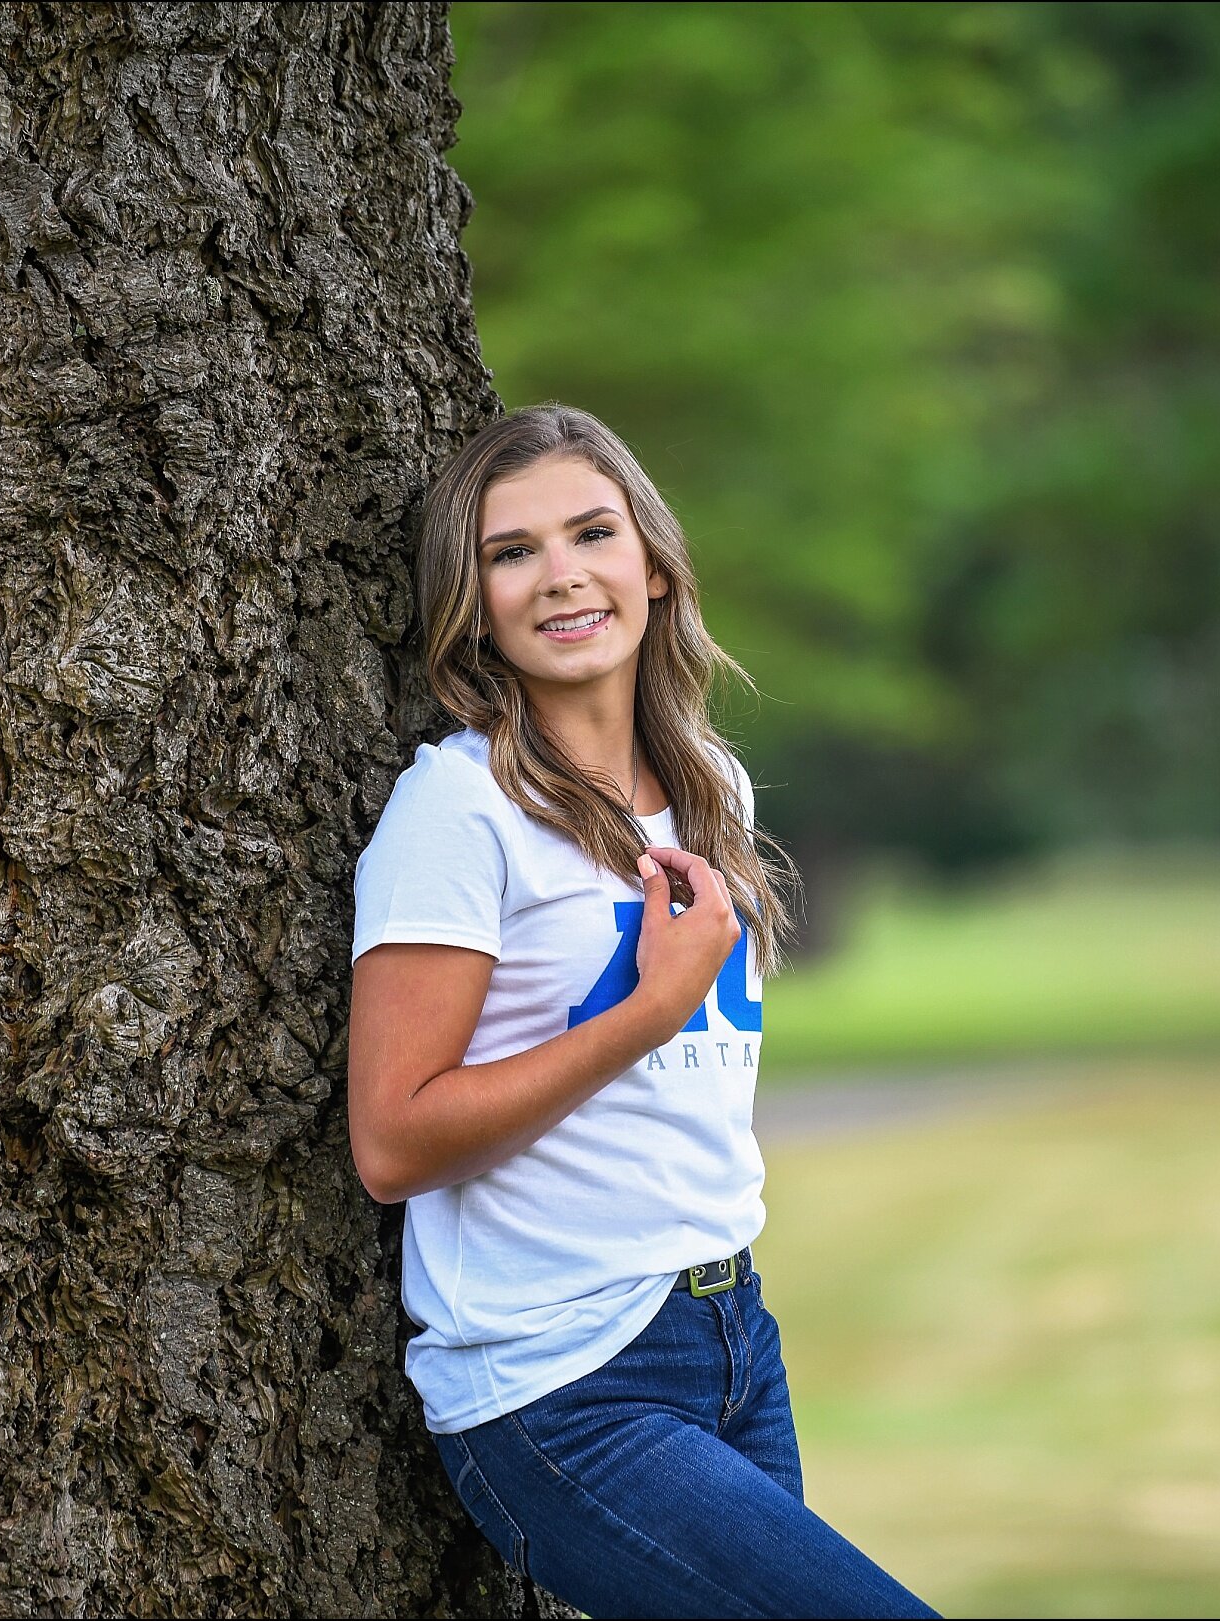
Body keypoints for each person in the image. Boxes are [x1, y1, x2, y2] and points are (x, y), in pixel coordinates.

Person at [347, 404, 940, 1619]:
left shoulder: (708, 783)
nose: (560, 575)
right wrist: (644, 1011)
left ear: (655, 568)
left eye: (591, 532)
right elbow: (392, 1142)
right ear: (476, 602)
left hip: (728, 1330)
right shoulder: (457, 813)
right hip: (562, 1386)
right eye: (512, 553)